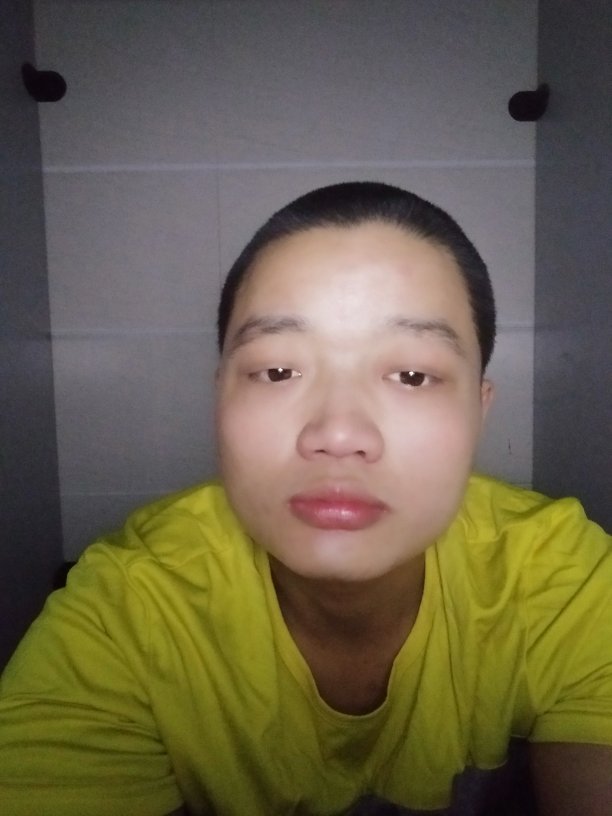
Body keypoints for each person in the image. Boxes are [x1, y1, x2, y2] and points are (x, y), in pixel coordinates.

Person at [0, 181, 611, 816]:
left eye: (412, 375)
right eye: (276, 372)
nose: (338, 434)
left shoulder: (560, 578)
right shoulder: (129, 612)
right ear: (220, 397)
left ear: (479, 411)